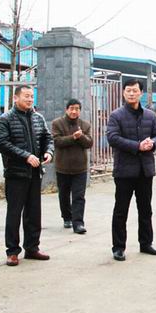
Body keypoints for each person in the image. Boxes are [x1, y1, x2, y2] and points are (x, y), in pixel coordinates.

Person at [106, 78, 156, 261]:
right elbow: (113, 138)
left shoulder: (150, 115)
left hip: (145, 171)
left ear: (141, 93)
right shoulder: (116, 115)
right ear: (124, 93)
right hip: (124, 171)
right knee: (121, 210)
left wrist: (152, 143)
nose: (131, 94)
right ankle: (118, 247)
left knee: (145, 209)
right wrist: (137, 146)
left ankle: (146, 243)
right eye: (128, 90)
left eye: (135, 90)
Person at [0, 85, 54, 267]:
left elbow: (47, 138)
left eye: (31, 96)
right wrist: (26, 156)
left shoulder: (38, 118)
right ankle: (12, 251)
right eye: (26, 96)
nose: (29, 99)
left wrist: (49, 152)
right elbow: (2, 144)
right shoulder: (5, 119)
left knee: (34, 213)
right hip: (16, 173)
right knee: (14, 213)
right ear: (16, 98)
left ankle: (32, 247)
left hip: (35, 173)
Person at [51, 98, 93, 234]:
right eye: (72, 109)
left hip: (80, 168)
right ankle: (67, 217)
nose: (74, 111)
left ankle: (78, 223)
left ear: (80, 111)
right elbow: (57, 141)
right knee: (63, 195)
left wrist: (81, 137)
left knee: (79, 196)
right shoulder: (57, 123)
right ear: (67, 109)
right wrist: (73, 137)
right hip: (62, 167)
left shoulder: (85, 125)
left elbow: (89, 143)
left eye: (77, 109)